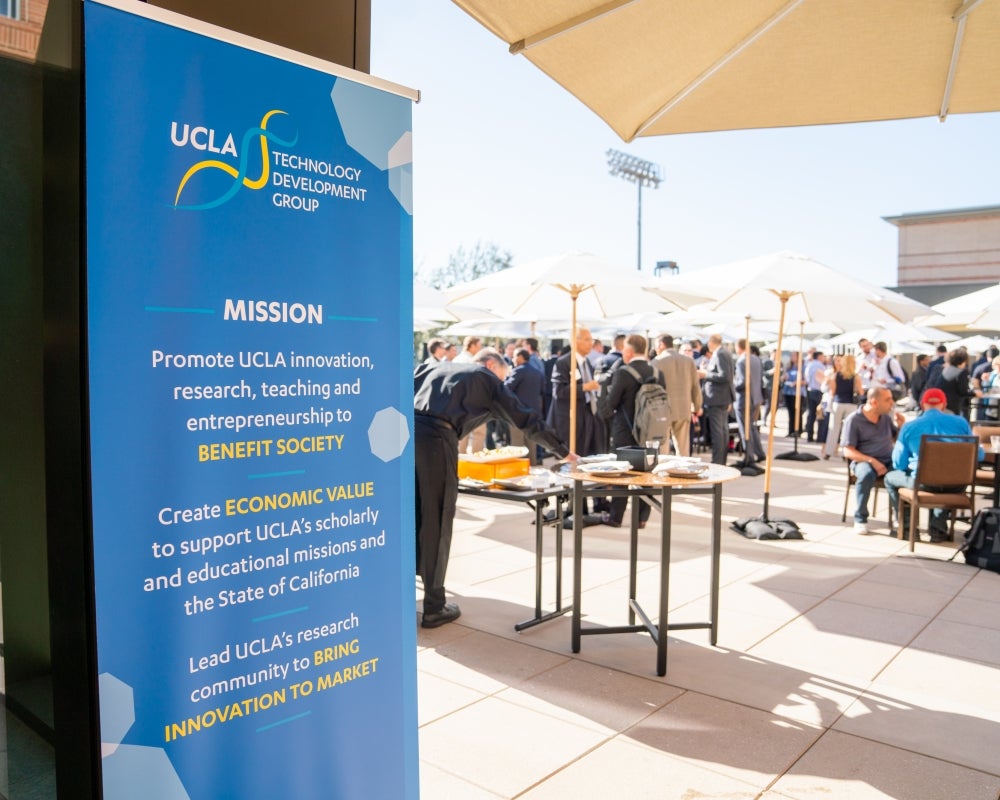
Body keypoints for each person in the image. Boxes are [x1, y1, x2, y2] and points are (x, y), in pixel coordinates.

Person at [413, 349, 574, 628]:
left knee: (412, 512)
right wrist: (562, 451)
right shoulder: (485, 378)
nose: (503, 383)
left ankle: (406, 589)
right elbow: (525, 418)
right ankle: (434, 606)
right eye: (503, 376)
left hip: (403, 432)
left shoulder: (430, 368)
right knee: (438, 517)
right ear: (491, 365)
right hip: (437, 439)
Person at [883, 388, 979, 542]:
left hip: (923, 484)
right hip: (957, 484)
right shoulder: (961, 423)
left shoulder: (910, 426)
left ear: (922, 404)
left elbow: (899, 463)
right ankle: (938, 529)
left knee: (890, 478)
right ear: (944, 404)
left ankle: (908, 529)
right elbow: (978, 454)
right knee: (946, 477)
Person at [598, 334, 664, 527]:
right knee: (647, 474)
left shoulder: (624, 373)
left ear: (628, 351)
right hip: (652, 433)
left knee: (622, 473)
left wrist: (603, 389)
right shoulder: (658, 372)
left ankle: (616, 516)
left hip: (625, 433)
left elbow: (609, 408)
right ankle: (641, 519)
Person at [841, 387, 905, 533]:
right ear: (874, 402)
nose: (892, 403)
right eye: (887, 400)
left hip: (888, 461)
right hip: (863, 460)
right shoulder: (854, 420)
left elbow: (897, 439)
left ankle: (899, 518)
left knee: (902, 475)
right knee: (866, 474)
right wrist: (872, 461)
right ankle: (860, 518)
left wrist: (901, 426)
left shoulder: (886, 419)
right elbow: (847, 450)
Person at [549, 327, 605, 456]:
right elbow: (559, 392)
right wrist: (585, 387)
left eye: (592, 339)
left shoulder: (587, 363)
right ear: (575, 341)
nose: (591, 343)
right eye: (587, 339)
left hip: (588, 415)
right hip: (572, 419)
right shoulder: (563, 363)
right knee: (575, 457)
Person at [651, 334, 703, 456]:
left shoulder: (656, 362)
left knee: (662, 450)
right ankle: (683, 473)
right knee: (683, 449)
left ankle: (663, 474)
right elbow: (696, 387)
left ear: (661, 344)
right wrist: (697, 406)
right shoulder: (688, 361)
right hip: (683, 409)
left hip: (662, 411)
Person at [504, 348, 546, 464]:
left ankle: (518, 467)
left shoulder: (518, 371)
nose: (512, 359)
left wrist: (507, 376)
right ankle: (531, 465)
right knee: (531, 442)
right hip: (534, 412)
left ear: (520, 357)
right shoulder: (538, 372)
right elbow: (543, 391)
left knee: (517, 442)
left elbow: (506, 388)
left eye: (514, 356)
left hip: (518, 412)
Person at [702, 334, 735, 465]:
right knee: (722, 431)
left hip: (717, 398)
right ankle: (720, 461)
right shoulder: (723, 352)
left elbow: (724, 376)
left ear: (711, 342)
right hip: (721, 398)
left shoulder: (720, 353)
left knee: (718, 433)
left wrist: (706, 374)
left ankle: (718, 461)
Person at [823, 352, 863, 460]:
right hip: (851, 404)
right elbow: (861, 392)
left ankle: (828, 451)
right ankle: (846, 453)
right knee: (848, 429)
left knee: (833, 428)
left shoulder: (837, 375)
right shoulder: (856, 376)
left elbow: (832, 391)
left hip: (838, 403)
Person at [734, 338, 766, 464]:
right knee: (752, 427)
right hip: (755, 398)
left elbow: (743, 382)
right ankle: (759, 453)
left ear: (739, 347)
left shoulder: (742, 361)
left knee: (745, 429)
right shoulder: (756, 359)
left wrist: (733, 385)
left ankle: (749, 456)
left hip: (744, 399)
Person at [933, 347, 979, 419]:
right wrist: (975, 393)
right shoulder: (961, 372)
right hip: (952, 406)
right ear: (964, 360)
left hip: (941, 404)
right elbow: (963, 391)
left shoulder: (945, 370)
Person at [804, 350, 828, 443]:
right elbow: (822, 379)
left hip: (810, 390)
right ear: (819, 357)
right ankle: (820, 437)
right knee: (820, 414)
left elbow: (806, 379)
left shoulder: (809, 365)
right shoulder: (820, 366)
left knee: (811, 414)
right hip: (818, 391)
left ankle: (809, 436)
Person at [781, 353, 805, 437]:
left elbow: (805, 380)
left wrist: (796, 383)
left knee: (797, 412)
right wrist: (784, 377)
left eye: (794, 355)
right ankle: (791, 430)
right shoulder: (789, 367)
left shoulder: (802, 367)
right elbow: (783, 377)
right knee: (790, 413)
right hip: (788, 391)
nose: (792, 357)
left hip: (798, 392)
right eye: (791, 356)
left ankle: (798, 430)